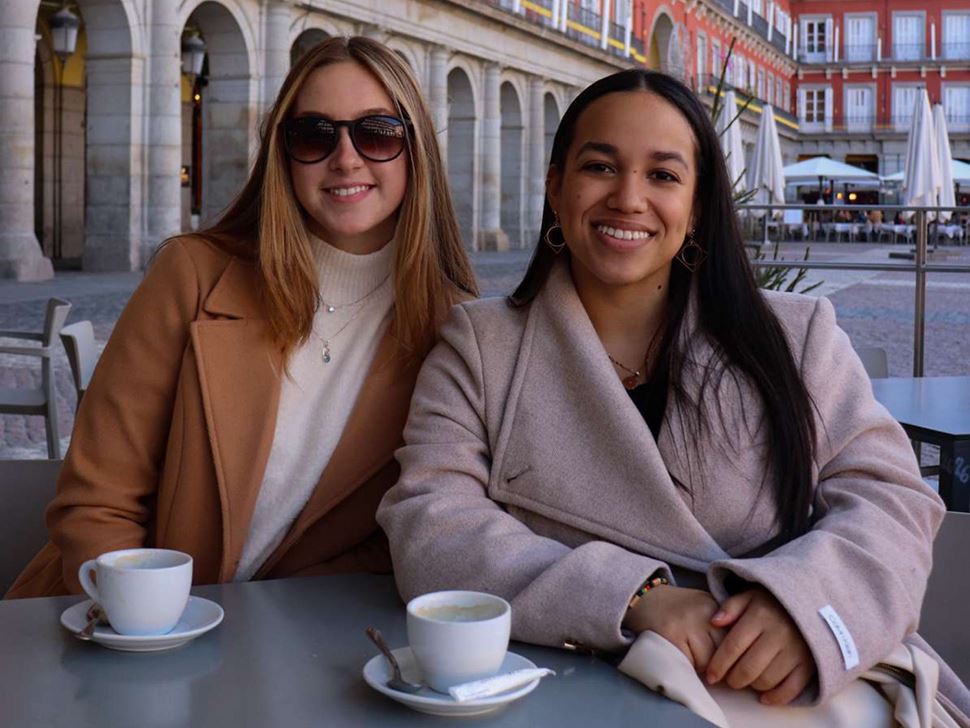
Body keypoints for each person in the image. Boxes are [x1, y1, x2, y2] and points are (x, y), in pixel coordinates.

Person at [377, 68, 970, 724]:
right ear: (556, 186)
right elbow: (431, 520)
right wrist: (635, 597)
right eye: (600, 166)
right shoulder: (480, 346)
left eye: (663, 175)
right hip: (577, 687)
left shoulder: (796, 336)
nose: (628, 198)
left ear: (696, 206)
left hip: (795, 689)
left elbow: (893, 500)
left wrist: (802, 605)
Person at [7, 36, 476, 598]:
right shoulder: (193, 274)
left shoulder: (452, 329)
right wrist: (142, 621)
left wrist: (261, 627)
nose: (345, 157)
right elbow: (99, 497)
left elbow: (404, 536)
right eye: (314, 135)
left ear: (414, 145)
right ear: (283, 153)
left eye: (377, 132)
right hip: (106, 626)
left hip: (290, 645)